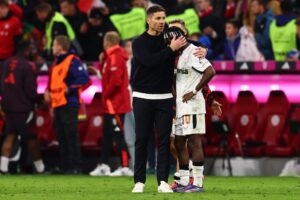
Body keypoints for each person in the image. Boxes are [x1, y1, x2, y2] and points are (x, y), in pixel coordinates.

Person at [131, 5, 207, 193]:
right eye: (157, 18)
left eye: (163, 18)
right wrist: (170, 49)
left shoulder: (170, 35)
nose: (161, 21)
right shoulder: (139, 42)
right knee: (141, 139)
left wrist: (203, 49)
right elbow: (148, 62)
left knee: (164, 140)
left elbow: (190, 44)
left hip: (164, 97)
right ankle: (139, 182)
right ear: (148, 20)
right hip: (142, 96)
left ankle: (162, 182)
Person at [164, 24, 216, 192]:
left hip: (192, 105)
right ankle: (184, 181)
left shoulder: (195, 51)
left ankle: (198, 183)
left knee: (194, 142)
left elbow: (210, 71)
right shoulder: (178, 54)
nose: (168, 44)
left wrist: (194, 91)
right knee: (179, 142)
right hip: (180, 106)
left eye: (169, 40)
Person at [44, 35, 90, 174]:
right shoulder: (55, 63)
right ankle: (66, 166)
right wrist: (48, 94)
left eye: (53, 45)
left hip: (69, 103)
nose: (52, 47)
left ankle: (76, 166)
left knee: (71, 135)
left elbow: (83, 78)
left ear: (60, 46)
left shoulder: (72, 60)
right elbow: (52, 84)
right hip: (58, 104)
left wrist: (69, 90)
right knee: (61, 136)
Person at [89, 31, 133, 176]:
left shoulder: (115, 58)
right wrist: (102, 62)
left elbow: (115, 83)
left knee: (117, 134)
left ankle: (125, 166)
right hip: (112, 103)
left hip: (116, 103)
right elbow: (108, 77)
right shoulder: (111, 57)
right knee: (107, 135)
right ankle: (104, 165)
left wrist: (106, 95)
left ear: (107, 42)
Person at [0, 41, 45, 174]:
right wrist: (39, 101)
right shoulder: (28, 65)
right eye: (31, 50)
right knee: (31, 138)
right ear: (26, 50)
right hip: (23, 108)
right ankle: (41, 169)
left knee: (10, 135)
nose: (33, 52)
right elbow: (30, 90)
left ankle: (3, 167)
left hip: (8, 106)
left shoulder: (5, 63)